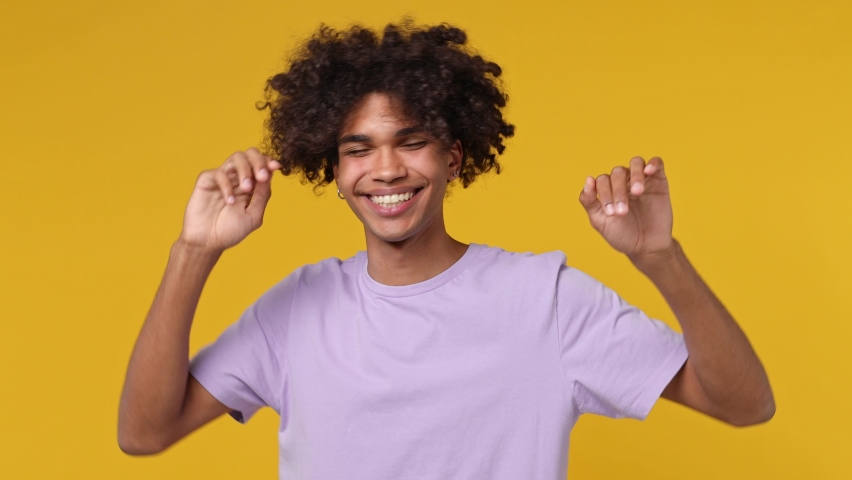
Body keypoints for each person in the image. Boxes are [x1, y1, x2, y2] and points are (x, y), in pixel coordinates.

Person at [118, 22, 775, 479]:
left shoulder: (544, 299)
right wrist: (193, 251)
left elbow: (745, 405)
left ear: (454, 156)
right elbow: (144, 434)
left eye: (411, 141)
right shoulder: (296, 307)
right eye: (358, 149)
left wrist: (660, 257)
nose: (385, 169)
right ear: (335, 172)